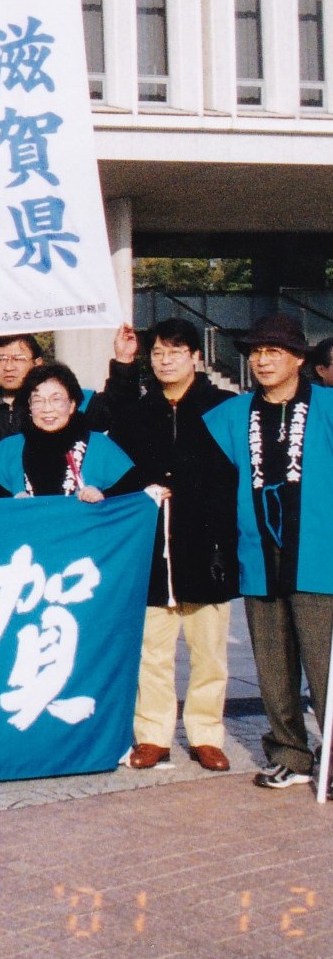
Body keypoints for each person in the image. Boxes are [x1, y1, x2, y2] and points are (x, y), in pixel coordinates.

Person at [98, 320, 238, 772]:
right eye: (157, 353)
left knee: (209, 653)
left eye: (175, 352)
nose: (165, 360)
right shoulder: (139, 411)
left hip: (207, 547)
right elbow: (108, 445)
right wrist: (121, 364)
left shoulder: (224, 408)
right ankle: (154, 735)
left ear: (196, 356)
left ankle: (205, 734)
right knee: (152, 651)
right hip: (153, 548)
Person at [202, 314, 333, 790]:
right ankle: (291, 755)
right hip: (260, 552)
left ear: (300, 359)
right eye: (256, 351)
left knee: (326, 663)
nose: (262, 359)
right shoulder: (233, 414)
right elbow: (214, 484)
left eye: (274, 351)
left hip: (320, 554)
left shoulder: (328, 407)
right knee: (273, 664)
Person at [0, 363, 136, 499]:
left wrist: (103, 498)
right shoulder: (8, 449)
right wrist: (11, 504)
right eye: (38, 400)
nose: (47, 409)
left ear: (72, 404)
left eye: (56, 399)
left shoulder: (100, 446)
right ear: (29, 407)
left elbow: (137, 497)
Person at [0, 333, 46, 444]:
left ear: (37, 364)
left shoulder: (50, 406)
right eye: (0, 359)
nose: (8, 367)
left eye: (18, 359)